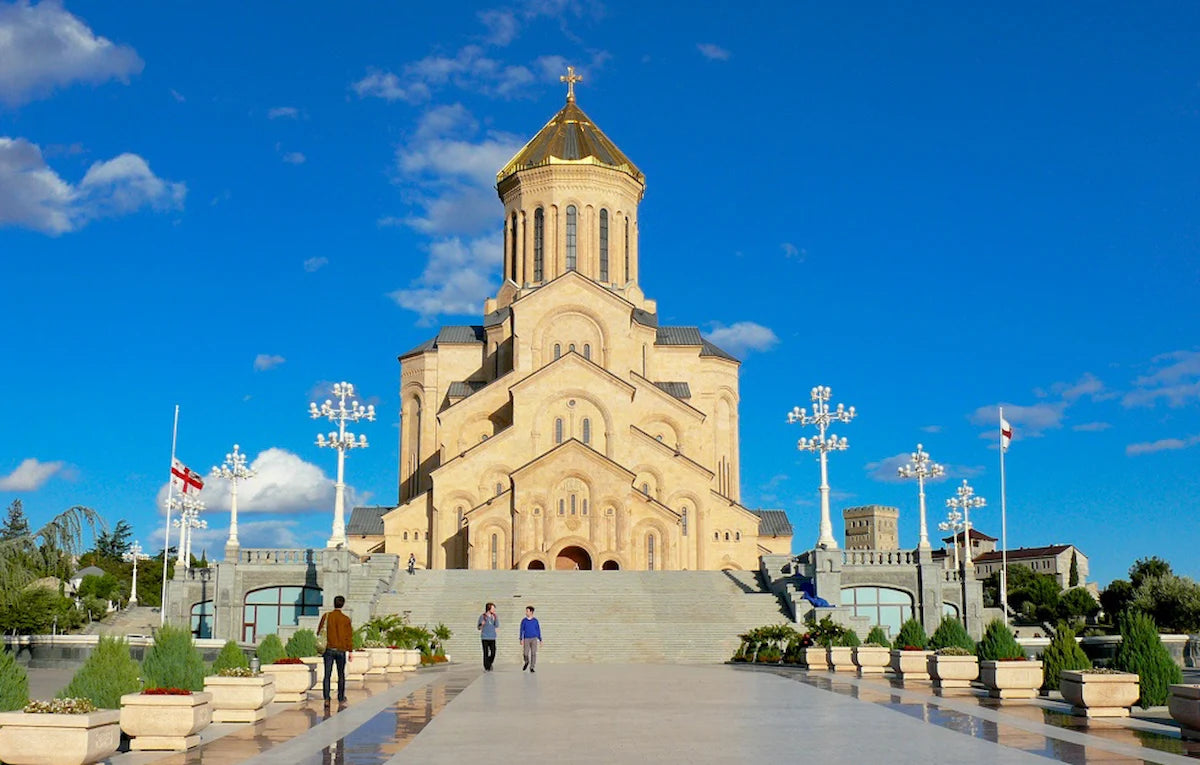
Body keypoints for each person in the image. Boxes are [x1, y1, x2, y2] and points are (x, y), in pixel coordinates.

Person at [317, 595, 352, 704]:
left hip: (329, 649)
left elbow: (319, 631)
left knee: (327, 674)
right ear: (343, 604)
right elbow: (348, 636)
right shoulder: (346, 619)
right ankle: (341, 697)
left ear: (334, 603)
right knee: (341, 674)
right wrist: (350, 651)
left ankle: (327, 698)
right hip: (341, 650)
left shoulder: (327, 616)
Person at [519, 605, 542, 672]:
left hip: (534, 638)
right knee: (525, 653)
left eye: (527, 611)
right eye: (526, 611)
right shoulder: (524, 621)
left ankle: (532, 667)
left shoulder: (535, 621)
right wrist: (521, 638)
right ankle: (526, 662)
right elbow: (521, 630)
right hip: (526, 638)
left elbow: (538, 630)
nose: (526, 612)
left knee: (533, 653)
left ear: (531, 612)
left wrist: (540, 639)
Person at [477, 602, 499, 671]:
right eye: (493, 608)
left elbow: (497, 625)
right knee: (485, 653)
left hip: (492, 637)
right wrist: (482, 624)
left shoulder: (494, 616)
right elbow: (479, 627)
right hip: (485, 637)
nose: (494, 610)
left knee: (493, 653)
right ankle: (487, 667)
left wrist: (495, 620)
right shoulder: (482, 616)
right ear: (489, 609)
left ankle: (489, 663)